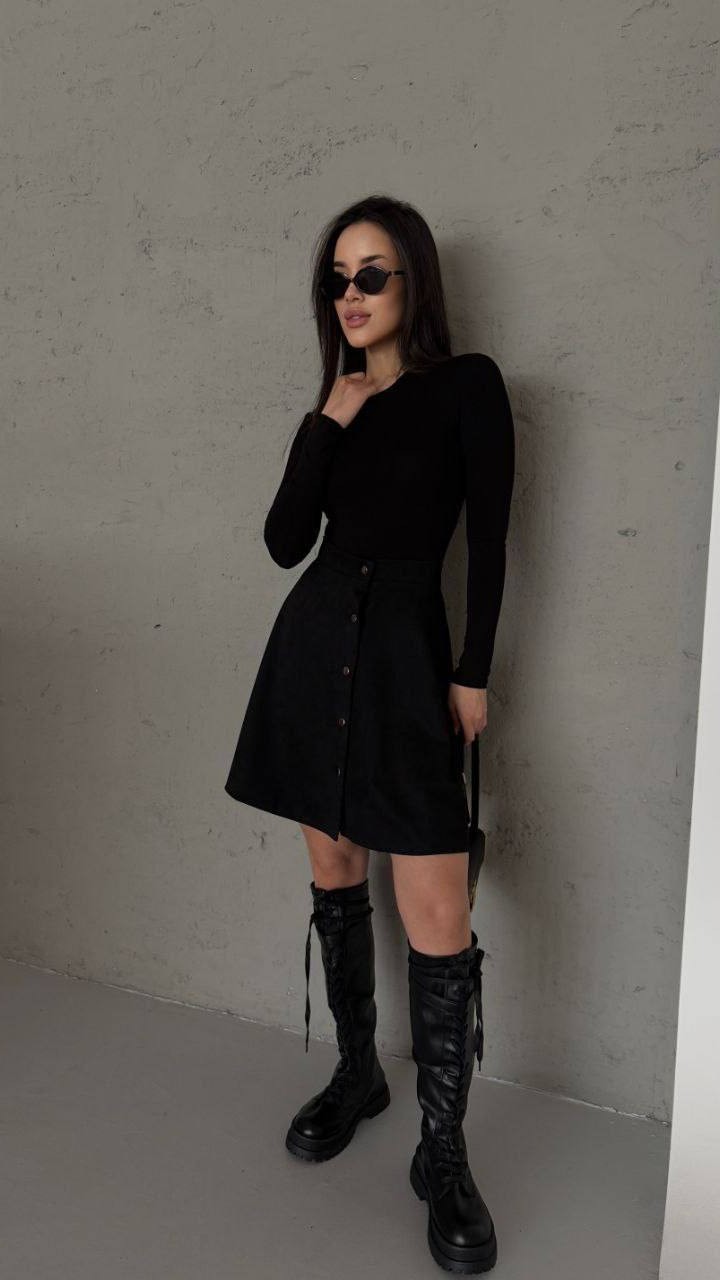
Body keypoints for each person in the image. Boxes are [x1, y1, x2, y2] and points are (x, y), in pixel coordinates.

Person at [224, 193, 515, 1275]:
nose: (350, 293)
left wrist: (472, 671)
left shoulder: (468, 386)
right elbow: (283, 541)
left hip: (403, 657)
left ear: (414, 280)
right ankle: (358, 1073)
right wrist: (326, 420)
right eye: (337, 278)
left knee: (438, 909)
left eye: (372, 274)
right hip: (313, 655)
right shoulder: (337, 400)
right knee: (335, 870)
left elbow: (491, 538)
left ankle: (445, 1151)